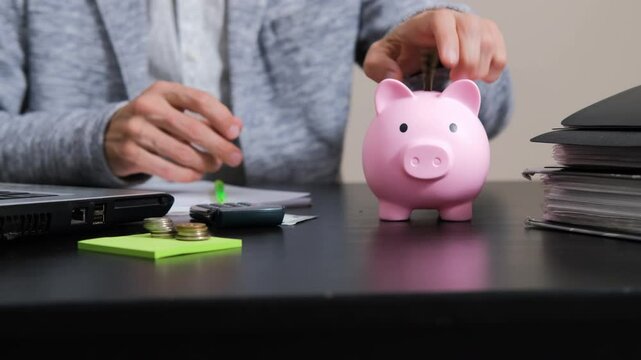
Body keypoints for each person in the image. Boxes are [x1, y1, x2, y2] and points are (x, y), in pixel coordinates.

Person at [0, 1, 512, 187]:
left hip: (302, 264)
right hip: (78, 264)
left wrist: (447, 62)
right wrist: (97, 138)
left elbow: (491, 109)